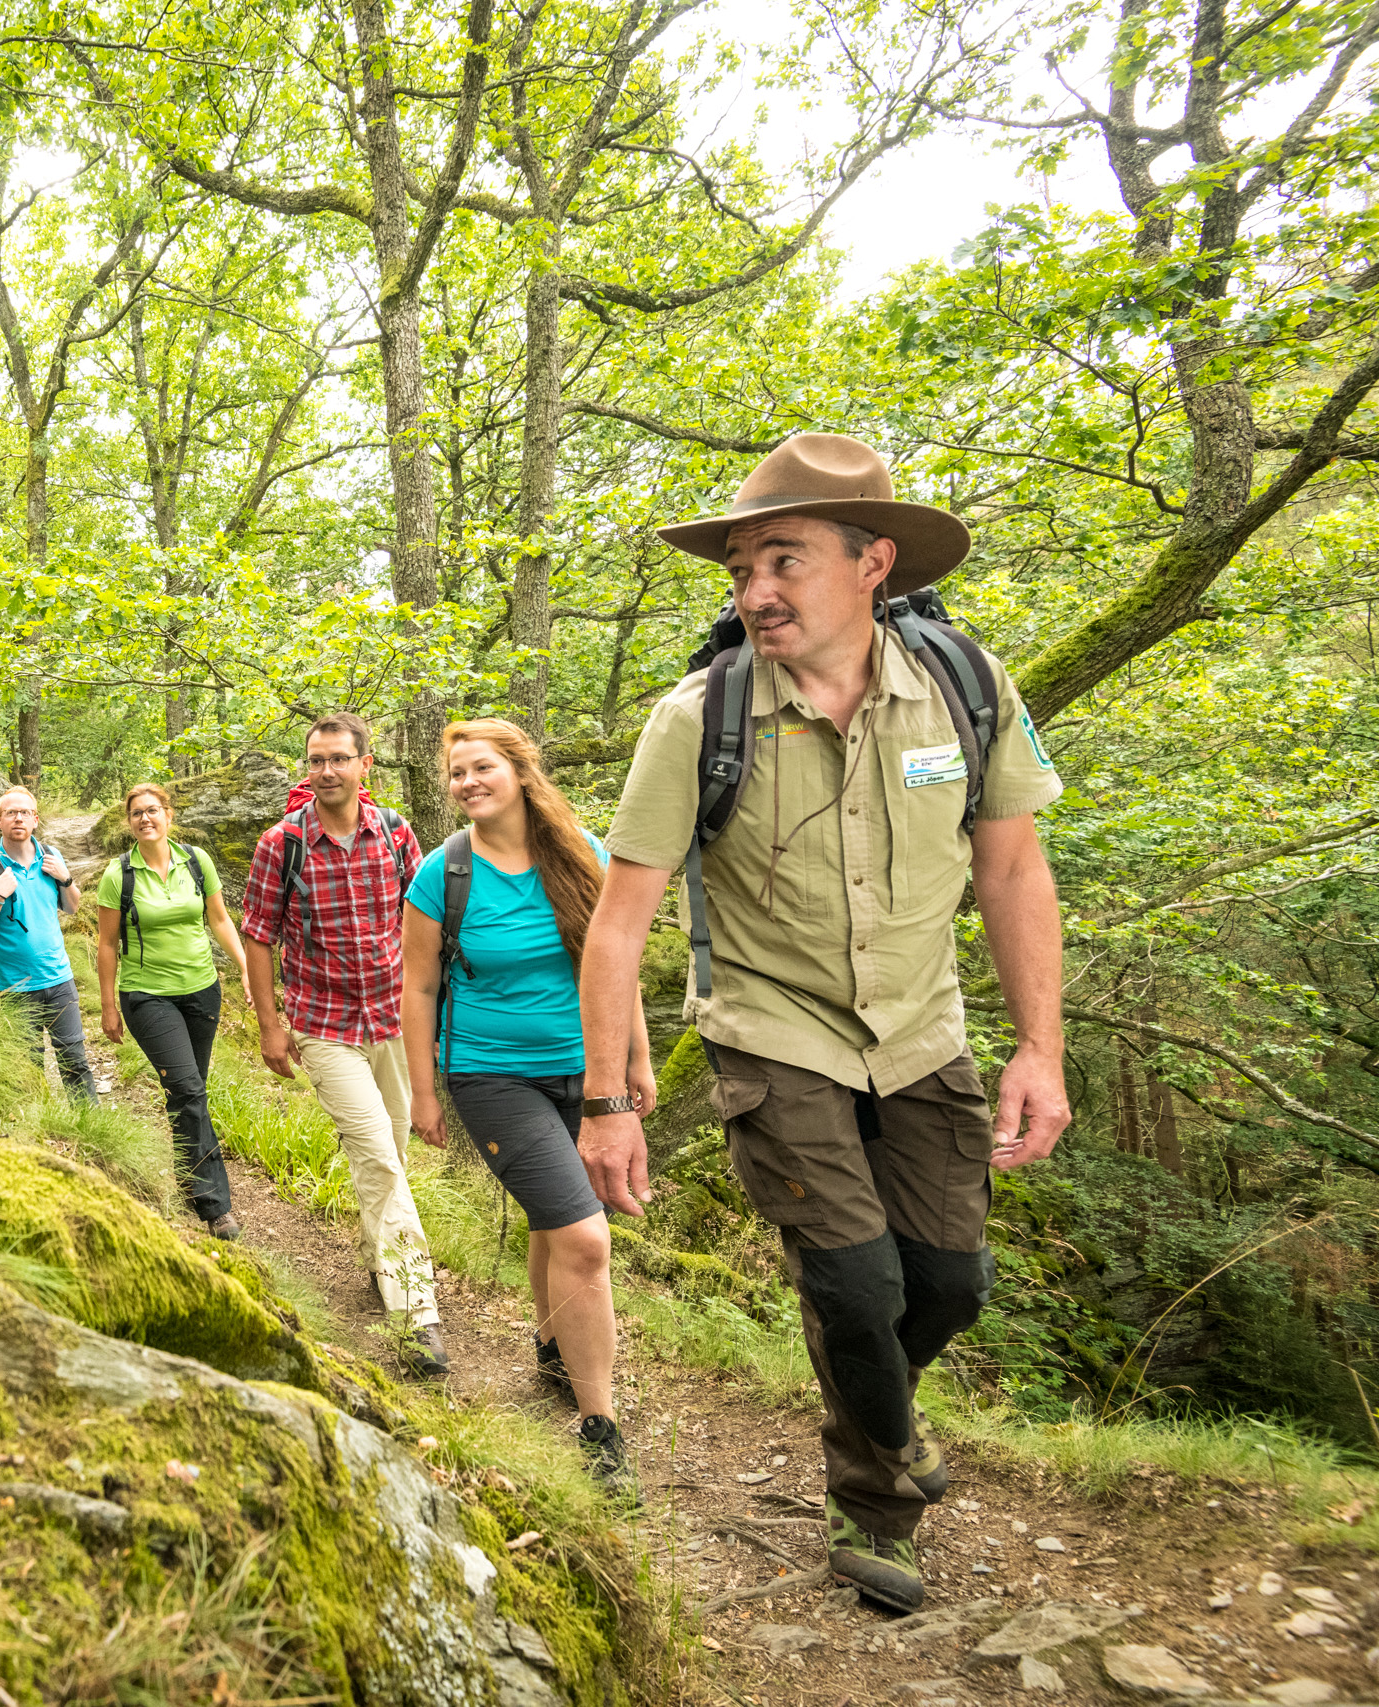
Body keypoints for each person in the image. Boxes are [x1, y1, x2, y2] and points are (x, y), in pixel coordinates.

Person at [575, 433, 1070, 1611]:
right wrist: (605, 1102)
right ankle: (877, 1504)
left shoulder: (965, 689)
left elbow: (1010, 873)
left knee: (946, 1285)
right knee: (853, 1286)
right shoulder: (697, 717)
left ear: (873, 564)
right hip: (772, 1033)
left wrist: (1038, 1050)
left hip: (923, 1033)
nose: (754, 591)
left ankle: (881, 1411)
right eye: (742, 568)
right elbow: (617, 922)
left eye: (783, 561)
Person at [401, 719, 649, 1496]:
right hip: (491, 1074)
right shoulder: (444, 873)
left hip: (587, 1068)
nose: (467, 782)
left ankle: (551, 1344)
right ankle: (599, 1425)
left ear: (520, 770)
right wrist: (421, 1090)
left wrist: (636, 1061)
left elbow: (617, 961)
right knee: (584, 1234)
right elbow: (417, 988)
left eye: (482, 767)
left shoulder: (582, 851)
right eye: (456, 773)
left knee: (556, 1220)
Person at [238, 712, 446, 1376]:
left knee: (392, 1157)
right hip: (324, 1025)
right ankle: (418, 1317)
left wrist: (442, 1009)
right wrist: (270, 1025)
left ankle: (380, 1264)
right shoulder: (283, 844)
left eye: (337, 758)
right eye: (315, 759)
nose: (325, 770)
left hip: (394, 1018)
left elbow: (426, 920)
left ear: (365, 763)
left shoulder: (397, 834)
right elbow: (258, 935)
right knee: (379, 1158)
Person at [93, 783, 252, 1240]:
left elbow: (219, 919)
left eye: (153, 810)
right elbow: (106, 944)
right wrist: (108, 1005)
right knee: (187, 1089)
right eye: (137, 813)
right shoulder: (117, 875)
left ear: (168, 814)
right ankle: (215, 1206)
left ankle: (189, 1177)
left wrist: (245, 970)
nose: (145, 819)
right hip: (146, 994)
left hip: (202, 990)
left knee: (188, 1091)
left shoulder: (196, 861)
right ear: (129, 823)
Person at [0, 786, 95, 1100]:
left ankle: (91, 1133)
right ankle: (32, 1135)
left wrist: (66, 879)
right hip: (12, 986)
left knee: (75, 1062)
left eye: (24, 813)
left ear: (35, 820)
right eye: (10, 813)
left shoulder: (51, 857)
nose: (17, 818)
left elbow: (73, 907)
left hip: (59, 978)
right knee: (24, 1069)